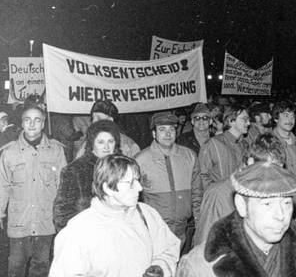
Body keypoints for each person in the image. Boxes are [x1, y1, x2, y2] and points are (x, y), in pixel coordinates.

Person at [177, 162, 296, 277]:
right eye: (267, 204)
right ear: (242, 205)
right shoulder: (201, 266)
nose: (280, 215)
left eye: (286, 203)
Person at [49, 154, 180, 277]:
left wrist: (160, 266)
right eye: (131, 183)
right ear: (108, 188)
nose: (139, 187)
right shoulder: (79, 231)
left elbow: (170, 248)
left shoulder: (146, 214)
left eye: (138, 180)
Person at [0, 105, 67, 277]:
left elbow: (63, 186)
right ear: (22, 123)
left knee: (41, 267)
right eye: (27, 120)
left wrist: (62, 217)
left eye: (37, 120)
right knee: (15, 267)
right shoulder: (9, 152)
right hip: (18, 222)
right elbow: (3, 186)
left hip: (45, 223)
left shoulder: (57, 151)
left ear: (43, 124)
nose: (32, 124)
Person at [193, 133, 286, 246]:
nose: (275, 176)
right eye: (271, 170)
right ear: (250, 162)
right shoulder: (219, 194)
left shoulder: (268, 190)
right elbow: (205, 247)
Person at [135, 111, 203, 251]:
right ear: (154, 134)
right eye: (162, 129)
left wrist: (199, 220)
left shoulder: (189, 156)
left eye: (171, 129)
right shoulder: (140, 160)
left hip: (182, 228)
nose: (168, 133)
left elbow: (197, 192)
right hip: (154, 228)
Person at [53, 119, 121, 231]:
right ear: (92, 143)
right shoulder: (75, 170)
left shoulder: (123, 169)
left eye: (110, 141)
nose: (106, 147)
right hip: (87, 236)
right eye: (101, 142)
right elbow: (62, 214)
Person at [199, 104, 250, 189]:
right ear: (231, 121)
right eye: (244, 119)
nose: (248, 123)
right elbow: (202, 176)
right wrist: (216, 195)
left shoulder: (245, 145)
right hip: (219, 199)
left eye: (248, 120)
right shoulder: (213, 144)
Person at [75, 99, 140, 159]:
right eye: (93, 118)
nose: (94, 121)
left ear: (110, 120)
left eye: (99, 118)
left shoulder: (129, 146)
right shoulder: (86, 142)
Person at [272, 100, 296, 178]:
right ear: (276, 118)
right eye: (286, 115)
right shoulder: (270, 142)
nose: (290, 120)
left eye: (292, 116)